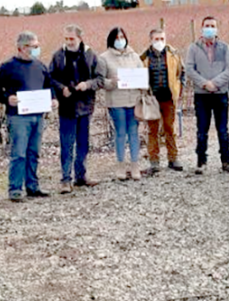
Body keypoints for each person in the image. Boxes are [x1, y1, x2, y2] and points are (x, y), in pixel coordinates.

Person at [0, 31, 57, 203]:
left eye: (37, 46)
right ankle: (15, 188)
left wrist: (54, 99)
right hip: (18, 117)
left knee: (34, 152)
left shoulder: (40, 66)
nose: (36, 49)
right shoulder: (8, 67)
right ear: (22, 47)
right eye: (33, 46)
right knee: (19, 153)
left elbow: (49, 86)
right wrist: (7, 99)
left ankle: (32, 186)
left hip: (38, 116)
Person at [49, 24, 101, 194]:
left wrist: (88, 85)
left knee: (83, 144)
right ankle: (65, 179)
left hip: (85, 106)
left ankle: (81, 175)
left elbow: (100, 78)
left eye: (72, 38)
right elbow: (50, 78)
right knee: (66, 144)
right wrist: (60, 88)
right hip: (66, 107)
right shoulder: (58, 56)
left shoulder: (90, 55)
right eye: (66, 38)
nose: (69, 41)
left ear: (80, 38)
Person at [186, 16, 229, 174]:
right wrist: (204, 83)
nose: (210, 28)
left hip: (220, 93)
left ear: (217, 28)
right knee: (202, 129)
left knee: (222, 129)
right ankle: (201, 161)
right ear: (201, 28)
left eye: (212, 25)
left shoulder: (224, 47)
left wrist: (215, 83)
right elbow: (189, 69)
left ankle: (226, 161)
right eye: (207, 25)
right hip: (202, 94)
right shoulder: (193, 48)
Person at [96, 27, 145, 181]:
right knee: (120, 133)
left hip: (134, 100)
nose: (120, 40)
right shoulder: (104, 58)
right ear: (111, 40)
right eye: (117, 38)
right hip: (116, 100)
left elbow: (141, 74)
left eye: (122, 37)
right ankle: (120, 165)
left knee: (134, 132)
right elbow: (100, 80)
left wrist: (142, 84)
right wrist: (111, 82)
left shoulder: (135, 56)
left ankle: (135, 165)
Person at [140, 28, 185, 174]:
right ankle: (154, 161)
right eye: (156, 39)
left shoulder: (174, 54)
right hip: (152, 99)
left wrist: (179, 89)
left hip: (169, 98)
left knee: (169, 129)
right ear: (151, 40)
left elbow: (181, 72)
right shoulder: (144, 57)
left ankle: (173, 158)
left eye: (161, 38)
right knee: (152, 131)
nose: (159, 41)